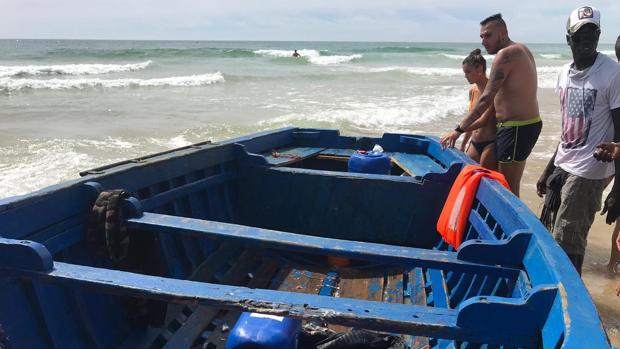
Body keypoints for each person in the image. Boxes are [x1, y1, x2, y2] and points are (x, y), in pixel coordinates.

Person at [537, 6, 620, 275]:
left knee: (568, 240)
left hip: (590, 170)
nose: (587, 41)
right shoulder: (563, 74)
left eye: (592, 34)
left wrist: (618, 188)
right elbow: (568, 129)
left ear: (599, 35)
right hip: (564, 164)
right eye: (580, 35)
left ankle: (569, 299)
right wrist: (549, 168)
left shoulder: (613, 73)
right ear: (568, 39)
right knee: (550, 231)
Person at [441, 13, 541, 197]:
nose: (483, 41)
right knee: (506, 186)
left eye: (488, 35)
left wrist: (458, 130)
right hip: (523, 126)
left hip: (517, 128)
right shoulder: (522, 49)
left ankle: (514, 225)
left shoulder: (505, 54)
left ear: (502, 34)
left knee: (507, 189)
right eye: (481, 36)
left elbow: (487, 98)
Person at [459, 49, 498, 170]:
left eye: (468, 72)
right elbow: (471, 117)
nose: (465, 76)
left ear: (479, 69)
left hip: (490, 142)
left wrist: (458, 131)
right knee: (468, 173)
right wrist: (463, 144)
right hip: (474, 142)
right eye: (464, 73)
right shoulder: (472, 90)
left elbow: (483, 120)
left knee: (485, 178)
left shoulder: (492, 90)